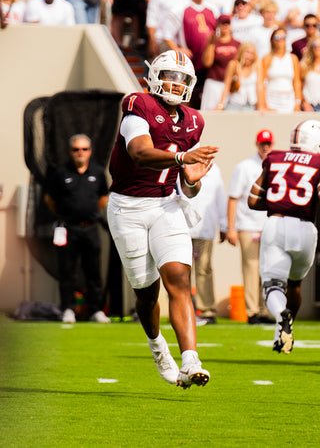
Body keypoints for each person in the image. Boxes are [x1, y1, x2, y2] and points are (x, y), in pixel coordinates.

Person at [106, 50, 218, 387]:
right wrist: (182, 157)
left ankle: (191, 360)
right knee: (146, 293)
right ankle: (158, 347)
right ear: (155, 76)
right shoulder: (137, 104)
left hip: (166, 204)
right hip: (127, 208)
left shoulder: (194, 121)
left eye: (183, 79)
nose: (176, 83)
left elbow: (188, 186)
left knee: (178, 278)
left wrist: (193, 178)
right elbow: (139, 152)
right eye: (170, 75)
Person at [247, 120, 320, 353]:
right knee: (294, 284)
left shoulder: (275, 157)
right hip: (306, 230)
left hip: (276, 224)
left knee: (273, 287)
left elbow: (253, 199)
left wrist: (280, 203)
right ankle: (284, 331)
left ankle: (281, 314)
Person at [44, 134, 111, 324]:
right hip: (67, 229)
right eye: (76, 149)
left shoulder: (97, 172)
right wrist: (66, 214)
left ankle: (96, 310)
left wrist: (88, 213)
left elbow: (103, 197)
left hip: (90, 229)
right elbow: (50, 199)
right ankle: (68, 309)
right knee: (67, 272)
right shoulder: (60, 172)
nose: (80, 153)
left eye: (84, 149)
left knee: (94, 272)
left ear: (90, 151)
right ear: (70, 151)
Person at [227, 130, 275, 324]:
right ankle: (253, 311)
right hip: (248, 225)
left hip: (270, 225)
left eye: (268, 144)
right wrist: (231, 227)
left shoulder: (276, 166)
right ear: (257, 144)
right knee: (251, 268)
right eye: (263, 144)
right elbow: (233, 197)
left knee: (268, 269)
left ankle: (266, 310)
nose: (265, 147)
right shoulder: (245, 167)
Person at [183, 161, 226, 326]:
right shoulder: (181, 165)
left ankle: (207, 310)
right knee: (181, 272)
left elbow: (220, 198)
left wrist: (224, 224)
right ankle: (183, 308)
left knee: (204, 270)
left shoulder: (215, 170)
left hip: (204, 229)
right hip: (182, 227)